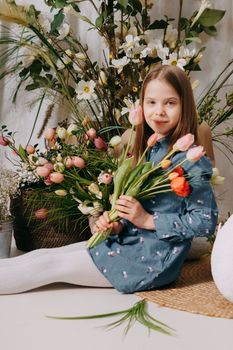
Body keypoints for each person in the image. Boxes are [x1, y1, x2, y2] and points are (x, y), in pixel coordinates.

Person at [0, 65, 218, 295]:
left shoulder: (192, 160)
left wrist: (147, 220)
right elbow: (140, 211)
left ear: (185, 106)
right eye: (151, 102)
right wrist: (116, 224)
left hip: (149, 261)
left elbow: (206, 221)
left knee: (48, 266)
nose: (159, 111)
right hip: (125, 243)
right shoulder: (150, 149)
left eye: (170, 103)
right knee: (42, 255)